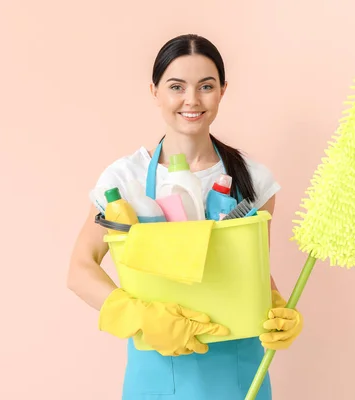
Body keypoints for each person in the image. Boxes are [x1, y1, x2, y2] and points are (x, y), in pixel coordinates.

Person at [67, 33, 304, 400]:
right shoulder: (126, 179)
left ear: (223, 90)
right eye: (176, 86)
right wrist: (141, 317)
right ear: (155, 91)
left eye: (206, 86)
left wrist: (276, 308)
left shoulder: (254, 180)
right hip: (157, 375)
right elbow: (80, 269)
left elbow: (253, 273)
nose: (192, 100)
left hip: (239, 377)